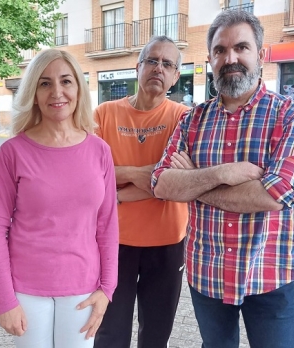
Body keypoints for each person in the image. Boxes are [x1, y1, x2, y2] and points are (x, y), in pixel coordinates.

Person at [151, 9, 294, 348]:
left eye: (241, 47)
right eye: (220, 50)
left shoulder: (291, 117)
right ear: (210, 58)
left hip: (269, 274)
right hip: (206, 274)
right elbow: (162, 183)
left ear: (261, 54)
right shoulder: (192, 121)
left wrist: (194, 185)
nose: (231, 58)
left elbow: (274, 194)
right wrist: (223, 174)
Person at [0, 49, 119, 348]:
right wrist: (5, 298)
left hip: (83, 289)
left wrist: (107, 288)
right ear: (33, 92)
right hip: (27, 290)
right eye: (45, 83)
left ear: (78, 89)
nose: (56, 92)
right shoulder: (13, 152)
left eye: (65, 81)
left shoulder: (100, 151)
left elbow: (107, 224)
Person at [93, 35, 190, 348]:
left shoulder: (184, 119)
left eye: (168, 64)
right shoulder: (103, 115)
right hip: (112, 242)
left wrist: (118, 191)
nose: (158, 68)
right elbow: (89, 177)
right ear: (137, 68)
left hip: (167, 243)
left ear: (176, 76)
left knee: (156, 335)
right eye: (152, 60)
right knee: (109, 334)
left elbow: (178, 183)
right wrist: (142, 174)